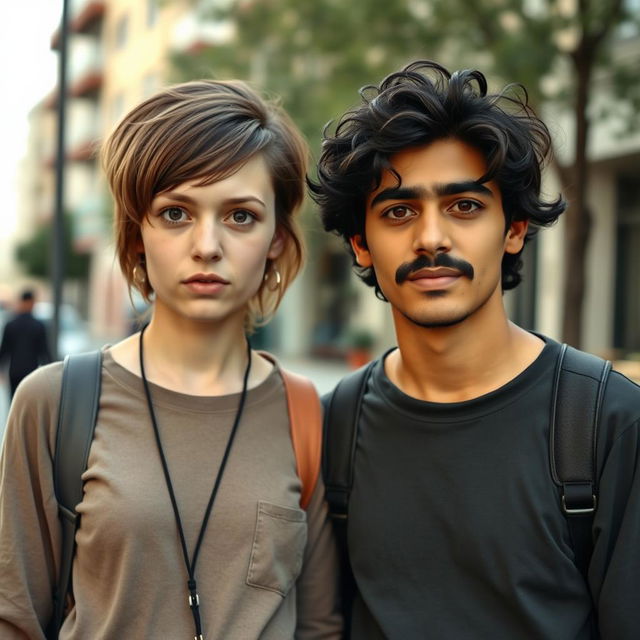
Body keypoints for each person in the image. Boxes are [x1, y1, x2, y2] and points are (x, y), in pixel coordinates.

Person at [0, 80, 341, 639]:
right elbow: (14, 619)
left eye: (240, 216)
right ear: (137, 234)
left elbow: (320, 626)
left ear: (277, 238)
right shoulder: (55, 404)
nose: (207, 245)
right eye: (176, 213)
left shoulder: (306, 414)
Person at [310, 60, 640, 639]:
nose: (432, 237)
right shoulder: (334, 423)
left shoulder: (607, 423)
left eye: (464, 206)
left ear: (513, 229)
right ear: (362, 245)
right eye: (398, 211)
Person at [0, 289, 51, 398]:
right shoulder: (38, 325)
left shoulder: (11, 324)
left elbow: (4, 350)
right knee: (30, 404)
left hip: (14, 371)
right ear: (31, 302)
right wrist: (50, 371)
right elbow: (44, 351)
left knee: (15, 403)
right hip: (31, 372)